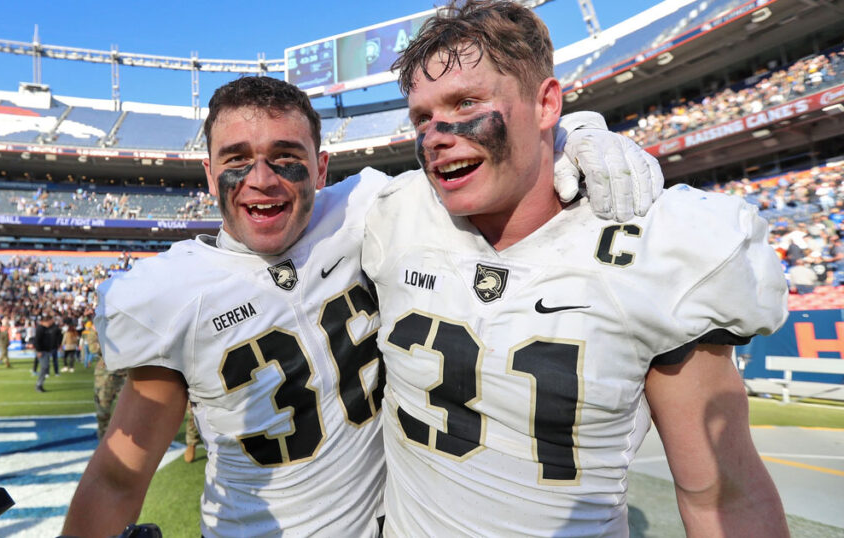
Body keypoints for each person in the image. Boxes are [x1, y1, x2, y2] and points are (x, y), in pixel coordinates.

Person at [63, 75, 663, 536]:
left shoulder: (366, 209)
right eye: (237, 159)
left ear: (322, 168)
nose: (262, 178)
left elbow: (488, 163)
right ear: (208, 174)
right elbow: (120, 473)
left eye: (286, 156)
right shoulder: (170, 293)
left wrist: (572, 132)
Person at [361, 2, 790, 536]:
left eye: (466, 101)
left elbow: (721, 496)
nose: (436, 135)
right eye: (422, 117)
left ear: (546, 104)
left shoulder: (656, 245)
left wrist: (572, 132)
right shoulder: (392, 214)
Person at [34, 314, 59, 392]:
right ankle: (39, 385)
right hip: (42, 351)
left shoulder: (46, 328)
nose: (52, 322)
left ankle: (40, 384)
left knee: (46, 368)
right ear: (47, 321)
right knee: (44, 367)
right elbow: (37, 340)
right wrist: (38, 351)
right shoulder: (40, 329)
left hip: (46, 351)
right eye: (51, 321)